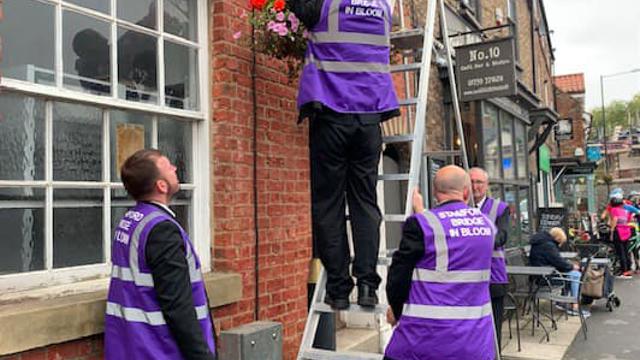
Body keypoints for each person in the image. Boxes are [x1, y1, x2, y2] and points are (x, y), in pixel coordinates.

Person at [288, 0, 400, 309]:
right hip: (369, 118)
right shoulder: (382, 8)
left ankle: (338, 289)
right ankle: (367, 286)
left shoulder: (325, 4)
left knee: (329, 204)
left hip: (331, 113)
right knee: (365, 202)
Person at [105, 149, 216, 360]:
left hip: (131, 347)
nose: (175, 168)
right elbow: (177, 306)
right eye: (168, 166)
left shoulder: (131, 220)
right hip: (161, 350)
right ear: (161, 186)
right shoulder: (162, 231)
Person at [384, 166, 496, 360]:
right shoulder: (486, 225)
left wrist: (396, 309)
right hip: (476, 343)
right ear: (466, 192)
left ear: (435, 193)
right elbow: (455, 237)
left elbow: (398, 276)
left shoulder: (421, 224)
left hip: (423, 340)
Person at [469, 167, 510, 351]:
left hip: (493, 279)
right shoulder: (459, 207)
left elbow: (501, 238)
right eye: (471, 182)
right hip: (466, 281)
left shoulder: (500, 208)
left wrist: (469, 235)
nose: (475, 186)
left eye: (479, 182)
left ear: (486, 185)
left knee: (493, 331)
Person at [529, 227, 589, 317]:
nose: (560, 245)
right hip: (545, 278)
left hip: (541, 275)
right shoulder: (548, 245)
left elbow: (555, 261)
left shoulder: (542, 242)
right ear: (557, 238)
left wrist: (569, 266)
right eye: (560, 242)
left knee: (571, 275)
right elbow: (559, 262)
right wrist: (573, 266)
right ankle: (574, 306)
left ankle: (562, 301)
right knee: (575, 275)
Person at [601, 190, 635, 277]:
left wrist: (612, 232)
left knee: (620, 252)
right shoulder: (623, 210)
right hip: (626, 231)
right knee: (626, 250)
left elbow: (614, 220)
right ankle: (628, 269)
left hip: (618, 232)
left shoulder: (614, 210)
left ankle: (624, 271)